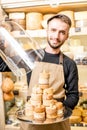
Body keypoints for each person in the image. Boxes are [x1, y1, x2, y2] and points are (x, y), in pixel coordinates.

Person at [0, 14, 79, 130]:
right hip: (32, 121)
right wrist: (2, 42)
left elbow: (73, 96)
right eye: (53, 30)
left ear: (67, 36)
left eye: (62, 32)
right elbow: (2, 66)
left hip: (58, 124)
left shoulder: (69, 64)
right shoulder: (31, 56)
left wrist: (56, 111)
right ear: (46, 31)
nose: (56, 36)